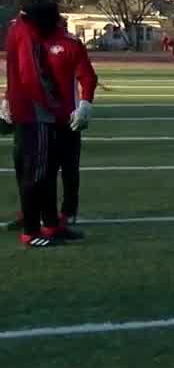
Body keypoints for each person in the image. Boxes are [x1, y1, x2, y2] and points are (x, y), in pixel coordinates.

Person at [2, 0, 80, 247]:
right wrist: (54, 106)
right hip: (35, 113)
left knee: (43, 172)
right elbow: (31, 75)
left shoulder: (23, 28)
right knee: (36, 173)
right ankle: (32, 230)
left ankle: (49, 225)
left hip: (33, 110)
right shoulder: (26, 31)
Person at [45, 19, 98, 226]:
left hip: (67, 115)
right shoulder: (28, 40)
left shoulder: (70, 43)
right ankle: (33, 210)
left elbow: (87, 76)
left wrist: (85, 104)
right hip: (36, 115)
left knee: (68, 167)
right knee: (36, 168)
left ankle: (68, 211)